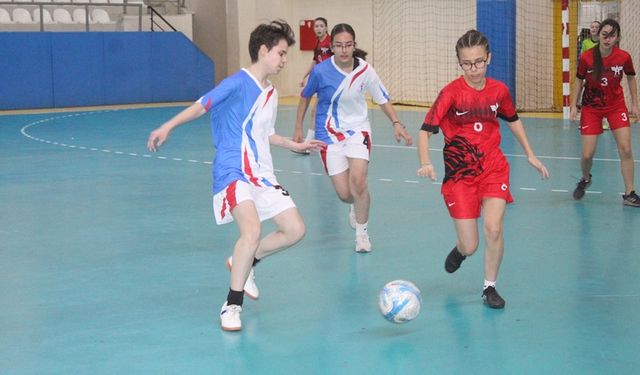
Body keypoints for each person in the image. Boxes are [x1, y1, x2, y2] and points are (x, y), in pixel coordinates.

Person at [147, 20, 325, 332]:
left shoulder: (269, 92)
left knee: (295, 229)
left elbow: (265, 133)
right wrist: (168, 126)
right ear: (263, 50)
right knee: (252, 230)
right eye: (281, 53)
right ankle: (232, 303)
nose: (284, 60)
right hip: (233, 170)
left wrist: (294, 144)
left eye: (286, 54)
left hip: (261, 174)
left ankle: (247, 262)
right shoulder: (238, 82)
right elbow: (203, 106)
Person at [416, 30, 549, 309]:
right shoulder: (451, 93)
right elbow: (425, 131)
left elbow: (513, 120)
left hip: (493, 167)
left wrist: (530, 155)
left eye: (479, 62)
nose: (474, 69)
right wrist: (426, 162)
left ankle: (490, 287)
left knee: (494, 229)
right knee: (471, 245)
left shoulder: (499, 90)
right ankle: (461, 250)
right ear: (459, 63)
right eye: (467, 64)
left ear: (488, 58)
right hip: (460, 175)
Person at [294, 23, 413, 253]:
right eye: (338, 45)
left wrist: (396, 123)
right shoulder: (320, 71)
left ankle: (362, 234)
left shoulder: (365, 70)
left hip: (358, 130)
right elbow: (305, 98)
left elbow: (382, 98)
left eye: (348, 45)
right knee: (345, 194)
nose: (344, 50)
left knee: (359, 181)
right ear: (331, 47)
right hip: (328, 135)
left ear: (354, 45)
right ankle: (354, 206)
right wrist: (299, 127)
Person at [570, 19, 639, 206]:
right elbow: (578, 81)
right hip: (592, 107)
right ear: (598, 35)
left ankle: (629, 193)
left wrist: (635, 104)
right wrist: (573, 105)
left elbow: (631, 79)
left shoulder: (624, 57)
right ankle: (585, 178)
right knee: (587, 155)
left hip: (616, 106)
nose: (608, 39)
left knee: (625, 148)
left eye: (612, 35)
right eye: (604, 35)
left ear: (617, 38)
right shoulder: (586, 57)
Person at [292, 17, 333, 155]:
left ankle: (307, 145)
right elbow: (315, 62)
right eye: (316, 26)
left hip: (329, 81)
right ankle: (309, 143)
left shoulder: (331, 42)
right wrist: (304, 76)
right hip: (319, 79)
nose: (319, 28)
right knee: (312, 108)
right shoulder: (317, 43)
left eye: (321, 26)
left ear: (326, 28)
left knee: (316, 111)